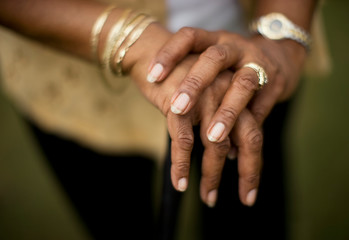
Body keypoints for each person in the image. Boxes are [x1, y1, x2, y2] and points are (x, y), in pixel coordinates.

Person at [0, 0, 323, 239]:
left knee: (251, 221)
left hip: (253, 59)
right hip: (76, 71)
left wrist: (285, 34)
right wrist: (131, 40)